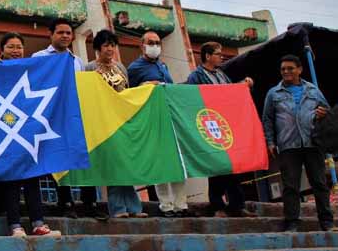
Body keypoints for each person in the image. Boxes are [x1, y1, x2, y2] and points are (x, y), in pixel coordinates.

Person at [33, 18, 106, 220]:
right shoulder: (38, 57)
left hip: (75, 117)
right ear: (51, 34)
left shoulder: (77, 61)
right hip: (51, 116)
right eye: (60, 32)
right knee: (58, 159)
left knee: (82, 156)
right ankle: (64, 202)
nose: (65, 36)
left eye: (68, 33)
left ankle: (89, 202)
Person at [262, 54, 335, 232]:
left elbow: (328, 113)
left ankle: (327, 222)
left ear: (299, 70)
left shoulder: (313, 90)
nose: (286, 71)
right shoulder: (273, 93)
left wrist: (323, 114)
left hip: (313, 143)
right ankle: (292, 222)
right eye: (283, 69)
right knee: (290, 186)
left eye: (290, 68)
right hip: (288, 146)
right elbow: (267, 119)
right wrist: (270, 142)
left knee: (319, 183)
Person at [186, 42, 257, 218]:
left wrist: (242, 86)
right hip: (209, 124)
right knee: (216, 165)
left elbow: (230, 94)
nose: (221, 57)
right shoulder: (196, 76)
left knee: (231, 165)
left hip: (225, 125)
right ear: (207, 56)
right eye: (218, 54)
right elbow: (191, 99)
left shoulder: (222, 75)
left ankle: (236, 205)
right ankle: (217, 204)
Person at [0, 32, 59, 236]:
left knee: (33, 177)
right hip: (4, 129)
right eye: (10, 47)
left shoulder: (32, 70)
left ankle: (38, 223)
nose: (15, 51)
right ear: (2, 50)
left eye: (19, 47)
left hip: (28, 130)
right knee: (11, 180)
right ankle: (14, 224)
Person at [127, 31, 192, 218]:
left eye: (157, 42)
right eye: (151, 42)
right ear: (142, 45)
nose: (155, 46)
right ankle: (166, 205)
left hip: (170, 118)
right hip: (152, 121)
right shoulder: (134, 68)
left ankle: (181, 204)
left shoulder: (163, 66)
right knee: (159, 162)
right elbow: (128, 94)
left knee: (176, 161)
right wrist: (145, 86)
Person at [85, 30, 147, 219]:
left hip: (122, 121)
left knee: (127, 163)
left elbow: (126, 92)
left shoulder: (121, 67)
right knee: (113, 165)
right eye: (105, 45)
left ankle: (134, 208)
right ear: (97, 48)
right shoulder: (89, 68)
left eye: (112, 45)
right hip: (103, 122)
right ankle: (118, 208)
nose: (110, 49)